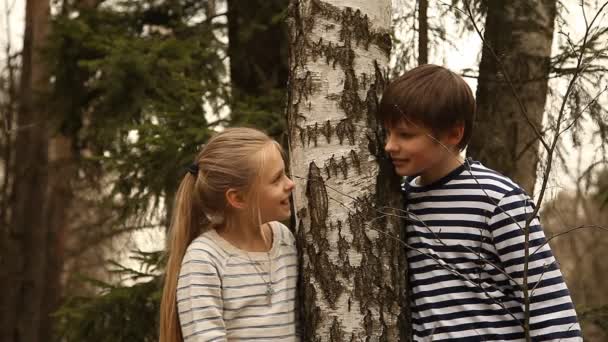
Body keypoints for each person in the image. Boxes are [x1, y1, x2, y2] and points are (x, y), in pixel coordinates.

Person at [378, 64, 582, 341]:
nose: (390, 145)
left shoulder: (498, 199)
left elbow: (548, 303)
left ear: (453, 134)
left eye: (405, 135)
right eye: (388, 133)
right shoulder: (402, 200)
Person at [159, 127, 298, 342]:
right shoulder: (205, 258)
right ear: (238, 199)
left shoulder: (285, 240)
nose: (291, 184)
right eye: (276, 179)